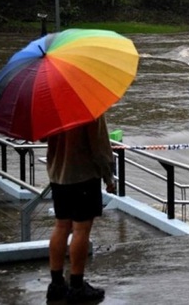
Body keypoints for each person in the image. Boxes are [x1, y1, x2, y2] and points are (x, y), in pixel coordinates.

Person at [44, 114, 116, 303]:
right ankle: (77, 285)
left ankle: (56, 284)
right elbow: (99, 147)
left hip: (58, 176)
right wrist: (109, 176)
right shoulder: (89, 109)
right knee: (81, 229)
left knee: (61, 225)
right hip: (83, 175)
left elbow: (43, 136)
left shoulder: (50, 106)